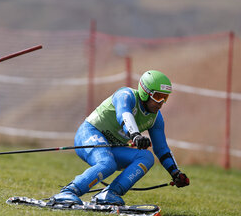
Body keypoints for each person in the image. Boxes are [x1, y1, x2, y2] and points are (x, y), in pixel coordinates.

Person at [51, 70, 189, 205]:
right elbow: (124, 115)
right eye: (158, 96)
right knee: (107, 163)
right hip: (89, 133)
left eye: (165, 98)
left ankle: (110, 193)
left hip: (111, 147)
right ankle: (68, 191)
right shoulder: (125, 94)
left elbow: (162, 149)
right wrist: (135, 135)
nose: (161, 103)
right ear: (145, 93)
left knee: (146, 157)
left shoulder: (156, 119)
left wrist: (175, 173)